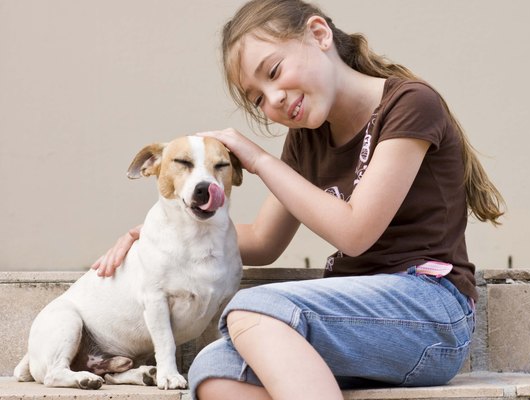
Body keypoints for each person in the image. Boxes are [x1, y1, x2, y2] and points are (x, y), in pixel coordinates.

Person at [92, 0, 505, 399]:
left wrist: (257, 159)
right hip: (353, 320)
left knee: (252, 307)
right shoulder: (307, 139)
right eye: (257, 98)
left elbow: (355, 232)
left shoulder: (410, 104)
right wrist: (159, 236)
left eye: (273, 71)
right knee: (211, 370)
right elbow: (262, 242)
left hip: (429, 313)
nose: (272, 99)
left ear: (319, 34)